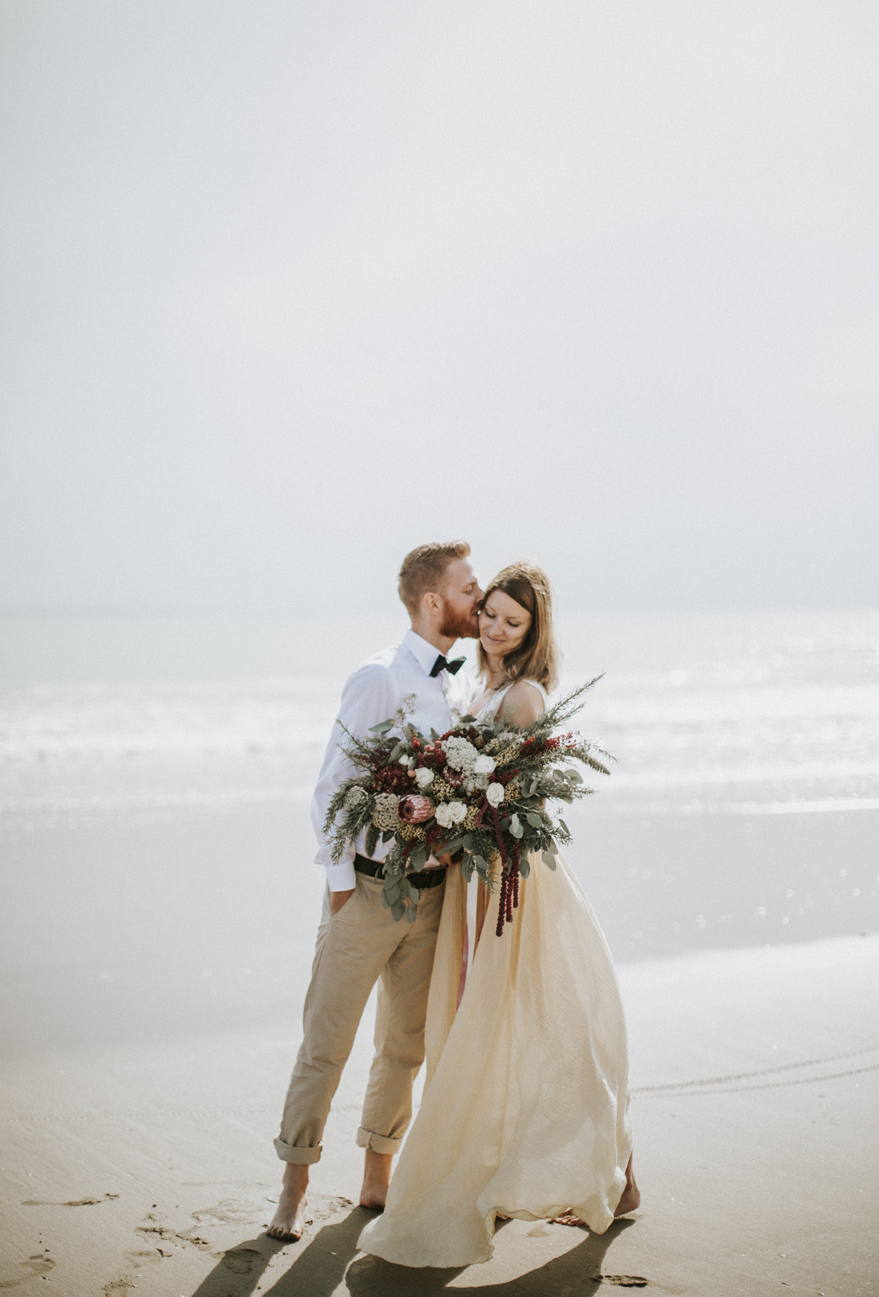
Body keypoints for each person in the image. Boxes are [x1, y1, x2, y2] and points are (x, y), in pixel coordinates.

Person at [358, 561, 640, 1268]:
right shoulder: (474, 686)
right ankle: (581, 1173)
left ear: (531, 631)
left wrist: (459, 812)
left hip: (512, 881)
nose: (494, 629)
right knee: (494, 1024)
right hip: (472, 878)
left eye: (512, 623)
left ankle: (617, 1171)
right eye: (488, 614)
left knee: (547, 1022)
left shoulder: (523, 695)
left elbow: (526, 800)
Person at [266, 540, 484, 1242]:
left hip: (429, 900)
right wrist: (338, 886)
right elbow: (333, 789)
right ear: (432, 601)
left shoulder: (455, 687)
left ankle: (375, 1177)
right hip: (363, 896)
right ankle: (293, 1187)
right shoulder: (377, 678)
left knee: (404, 1048)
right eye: (467, 589)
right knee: (325, 1043)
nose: (477, 601)